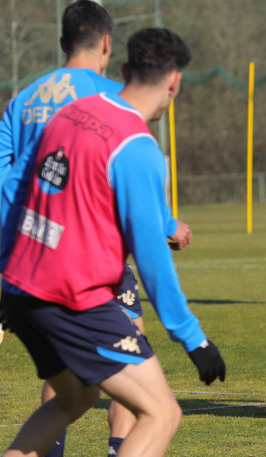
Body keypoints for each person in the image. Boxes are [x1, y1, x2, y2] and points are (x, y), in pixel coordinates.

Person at [0, 27, 225, 457]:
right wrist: (193, 339)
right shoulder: (137, 147)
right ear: (175, 82)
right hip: (71, 297)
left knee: (74, 398)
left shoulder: (69, 113)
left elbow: (13, 187)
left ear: (123, 70)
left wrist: (8, 269)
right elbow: (152, 256)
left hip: (21, 288)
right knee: (161, 413)